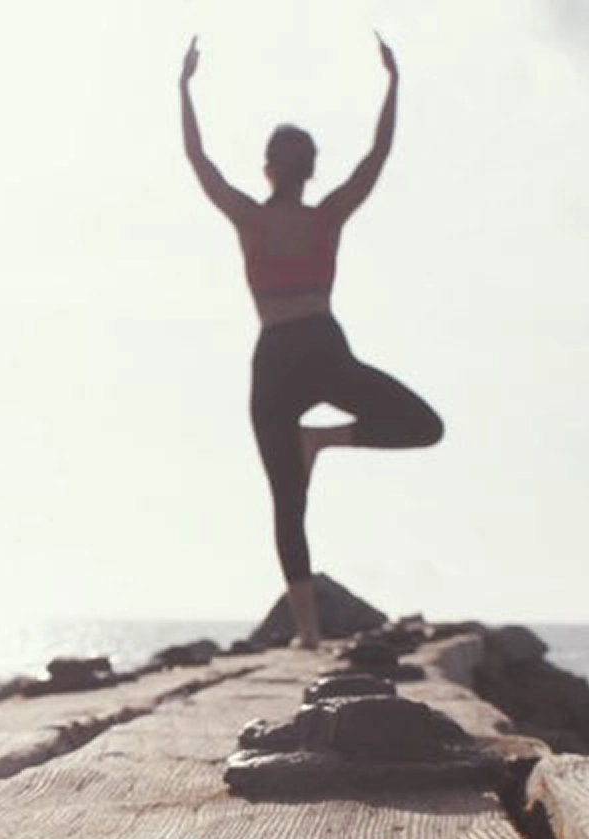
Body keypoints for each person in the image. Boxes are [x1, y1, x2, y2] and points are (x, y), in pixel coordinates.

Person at [179, 32, 443, 648]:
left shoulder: (250, 217)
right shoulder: (326, 217)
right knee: (424, 425)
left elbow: (200, 163)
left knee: (286, 500)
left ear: (268, 167)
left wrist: (183, 90)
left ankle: (308, 632)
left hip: (275, 357)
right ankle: (324, 439)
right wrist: (393, 85)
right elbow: (376, 159)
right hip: (323, 348)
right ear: (311, 169)